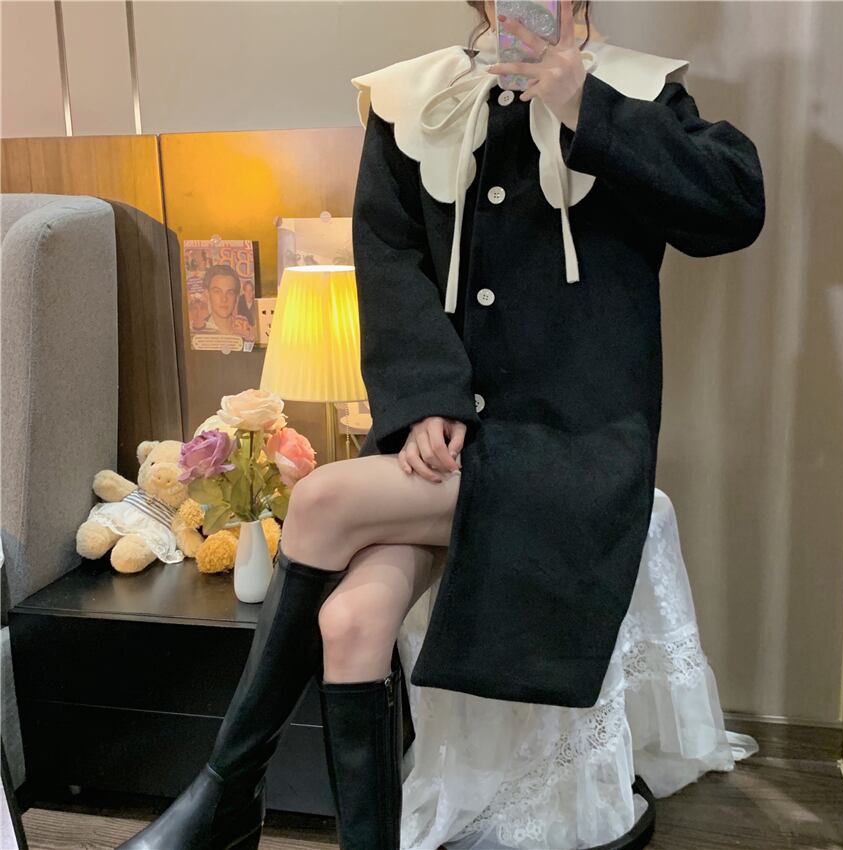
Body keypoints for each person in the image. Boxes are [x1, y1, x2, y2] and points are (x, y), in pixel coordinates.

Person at [116, 2, 765, 849]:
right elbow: (391, 262)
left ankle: (225, 797)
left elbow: (733, 206)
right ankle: (268, 814)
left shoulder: (634, 91)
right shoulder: (413, 99)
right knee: (350, 623)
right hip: (447, 445)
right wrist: (427, 397)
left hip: (576, 449)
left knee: (318, 501)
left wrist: (583, 103)